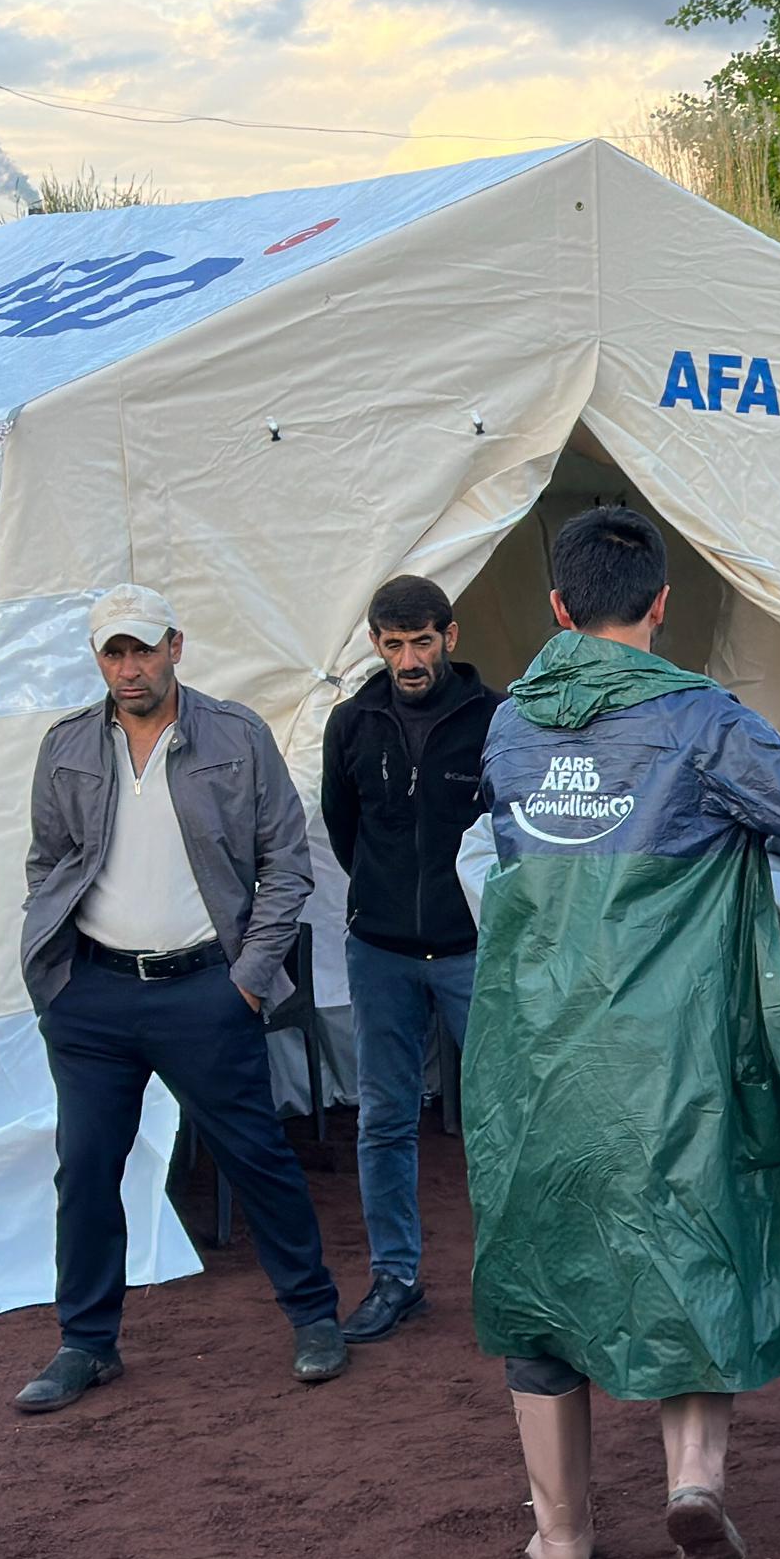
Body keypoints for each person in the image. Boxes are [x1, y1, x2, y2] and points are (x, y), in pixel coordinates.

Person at [470, 504, 780, 1559]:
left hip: (533, 1055)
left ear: (558, 608)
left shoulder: (507, 726)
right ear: (660, 603)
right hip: (671, 1052)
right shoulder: (699, 722)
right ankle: (692, 1482)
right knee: (692, 1246)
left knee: (543, 1273)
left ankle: (559, 1541)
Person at [12, 585, 348, 1413]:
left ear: (174, 646)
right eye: (112, 653)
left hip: (204, 987)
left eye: (141, 649)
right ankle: (86, 1343)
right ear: (98, 659)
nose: (128, 668)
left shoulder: (235, 736)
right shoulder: (66, 748)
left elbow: (287, 865)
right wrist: (52, 972)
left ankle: (313, 1316)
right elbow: (47, 861)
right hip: (91, 994)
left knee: (256, 1155)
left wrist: (247, 980)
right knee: (85, 1168)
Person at [318, 572, 500, 1343]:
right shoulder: (350, 723)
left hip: (472, 951)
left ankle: (516, 1280)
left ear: (450, 637)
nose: (409, 658)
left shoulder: (497, 720)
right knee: (385, 1117)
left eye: (422, 640)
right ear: (375, 645)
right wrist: (387, 900)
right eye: (394, 644)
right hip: (381, 950)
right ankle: (395, 1278)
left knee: (500, 1117)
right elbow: (342, 827)